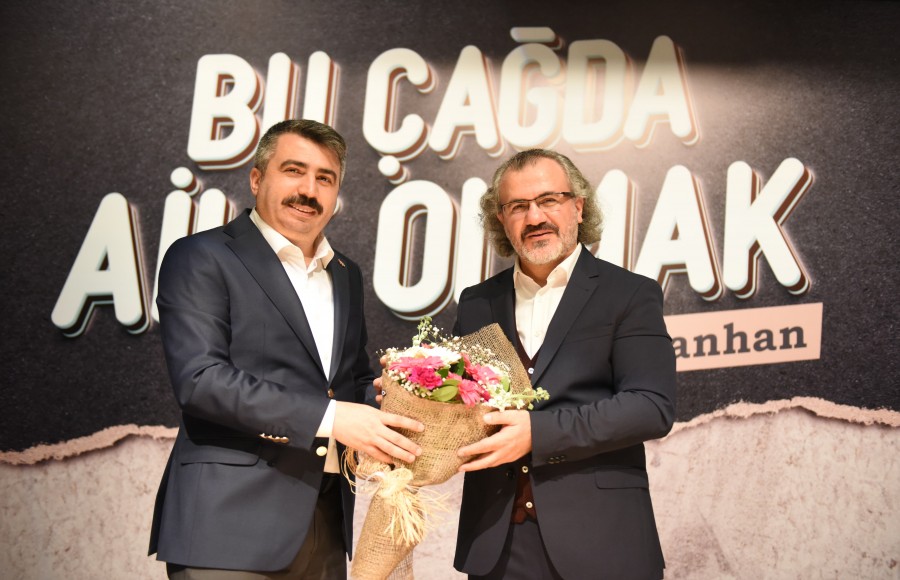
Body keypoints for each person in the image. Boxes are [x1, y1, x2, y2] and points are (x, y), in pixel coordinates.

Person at [148, 119, 424, 579]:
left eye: (325, 178)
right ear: (257, 179)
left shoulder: (345, 273)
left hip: (326, 525)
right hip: (227, 525)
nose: (308, 190)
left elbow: (347, 382)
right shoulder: (202, 255)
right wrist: (334, 418)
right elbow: (201, 381)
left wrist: (398, 404)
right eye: (294, 170)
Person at [453, 149, 676, 580]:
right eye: (518, 206)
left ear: (578, 206)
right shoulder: (476, 302)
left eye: (549, 200)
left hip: (604, 544)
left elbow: (651, 406)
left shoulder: (630, 293)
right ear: (501, 220)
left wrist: (537, 433)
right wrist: (410, 394)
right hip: (497, 548)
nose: (535, 217)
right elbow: (463, 403)